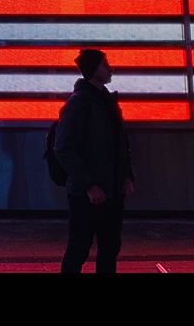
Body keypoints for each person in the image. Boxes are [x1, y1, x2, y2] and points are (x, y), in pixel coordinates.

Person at [54, 48, 134, 274]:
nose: (110, 68)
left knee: (109, 247)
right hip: (87, 195)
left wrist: (126, 175)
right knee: (79, 248)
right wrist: (89, 185)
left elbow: (120, 143)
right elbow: (63, 147)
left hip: (111, 190)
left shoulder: (106, 102)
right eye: (104, 64)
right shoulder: (80, 104)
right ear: (92, 70)